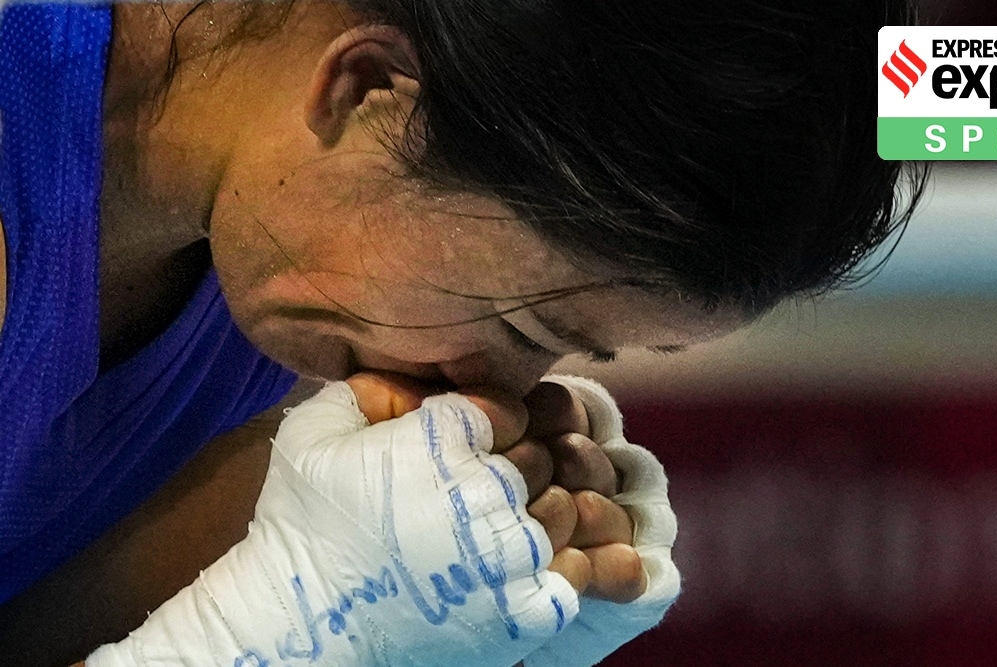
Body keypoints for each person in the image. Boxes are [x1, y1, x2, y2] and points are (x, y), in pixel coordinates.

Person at [0, 0, 924, 664]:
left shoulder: (282, 267)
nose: (494, 395)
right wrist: (276, 637)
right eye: (524, 324)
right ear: (364, 87)